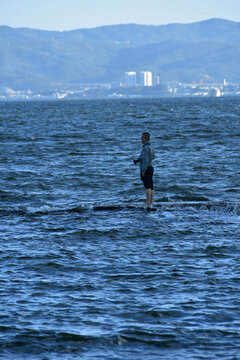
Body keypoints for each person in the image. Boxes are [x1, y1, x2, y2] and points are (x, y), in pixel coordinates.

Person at [133, 132, 155, 208]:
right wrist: (138, 160)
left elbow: (145, 160)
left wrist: (143, 170)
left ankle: (148, 202)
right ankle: (151, 201)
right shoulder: (151, 146)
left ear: (145, 139)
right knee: (151, 185)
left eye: (141, 137)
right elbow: (152, 157)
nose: (140, 139)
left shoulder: (145, 148)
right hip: (151, 167)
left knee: (147, 186)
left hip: (146, 168)